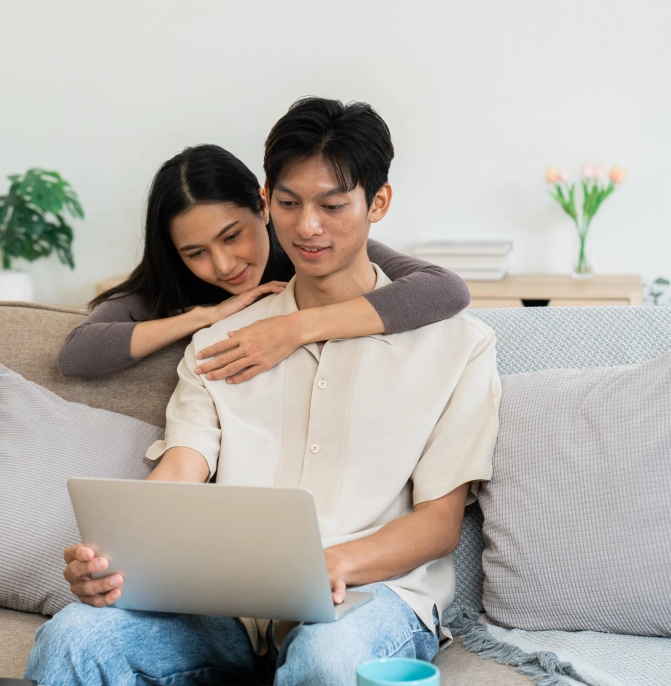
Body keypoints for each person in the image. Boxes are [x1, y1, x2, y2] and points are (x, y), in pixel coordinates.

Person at [27, 97, 501, 686]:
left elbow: (438, 524)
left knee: (326, 657)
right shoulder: (220, 341)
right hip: (228, 609)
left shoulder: (459, 347)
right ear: (266, 200)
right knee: (73, 636)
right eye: (288, 204)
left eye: (332, 206)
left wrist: (332, 564)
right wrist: (118, 555)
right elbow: (182, 467)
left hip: (369, 598)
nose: (307, 227)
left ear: (377, 203)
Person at [57, 143, 471, 384]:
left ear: (264, 204)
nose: (222, 264)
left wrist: (292, 328)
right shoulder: (171, 283)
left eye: (232, 236)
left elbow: (445, 289)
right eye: (195, 252)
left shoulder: (308, 250)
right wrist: (205, 317)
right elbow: (77, 354)